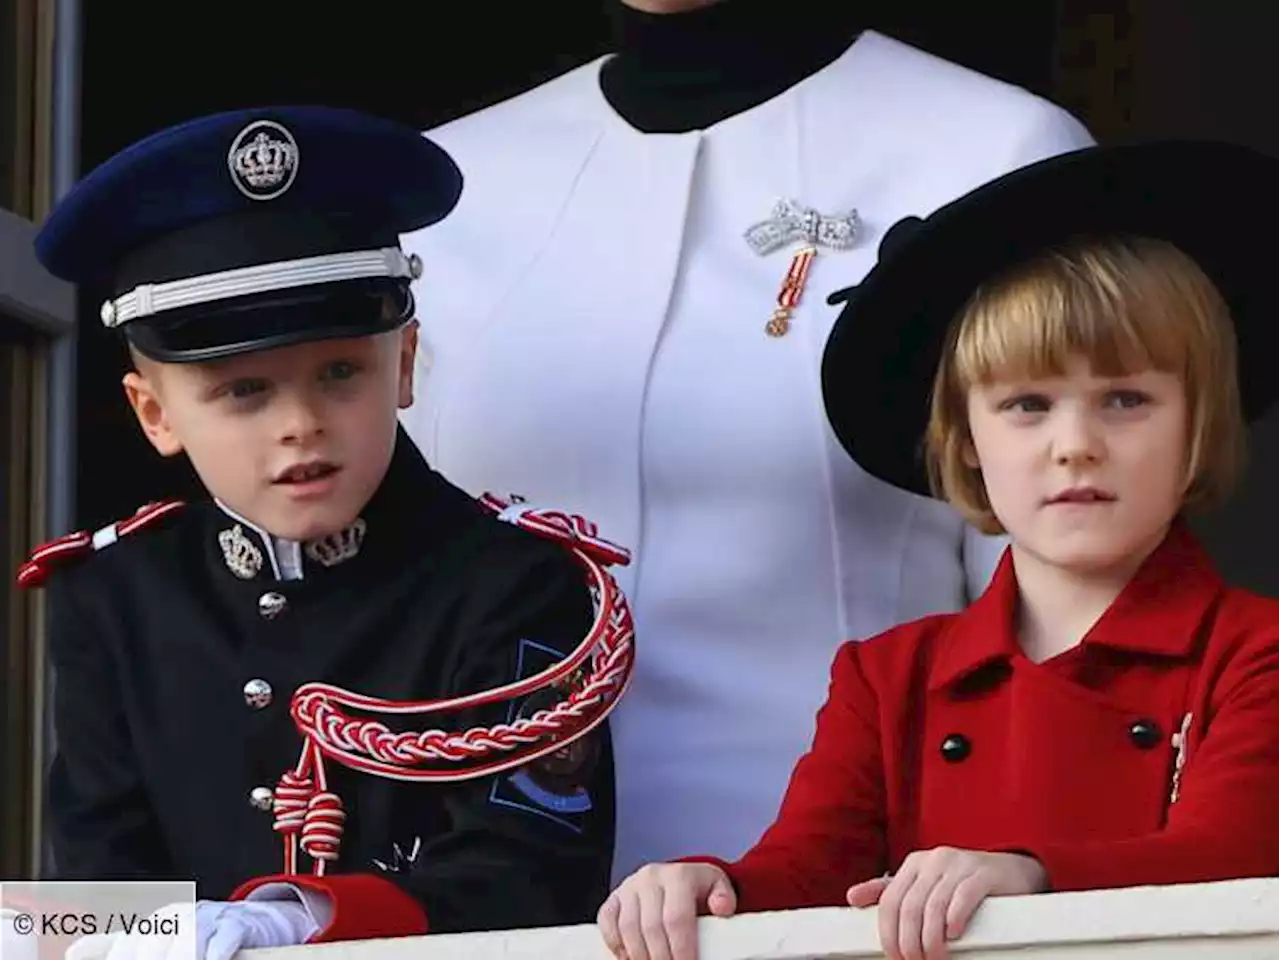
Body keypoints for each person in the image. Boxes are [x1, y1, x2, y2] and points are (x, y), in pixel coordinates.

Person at [398, 0, 1096, 881]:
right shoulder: (443, 186)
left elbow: (1062, 616)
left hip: (870, 905)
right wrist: (183, 923)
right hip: (480, 912)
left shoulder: (991, 148)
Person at [597, 138, 1280, 960]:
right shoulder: (887, 678)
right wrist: (709, 885)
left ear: (1197, 425)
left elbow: (1235, 860)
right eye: (1027, 405)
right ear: (965, 443)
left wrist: (1028, 881)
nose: (1075, 444)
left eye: (1125, 400)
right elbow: (804, 871)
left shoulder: (1255, 655)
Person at [21, 105, 633, 958]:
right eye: (243, 392)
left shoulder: (516, 582)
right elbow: (86, 888)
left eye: (341, 372)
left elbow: (538, 872)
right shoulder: (116, 594)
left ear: (405, 364)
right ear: (155, 415)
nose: (301, 424)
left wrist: (304, 921)